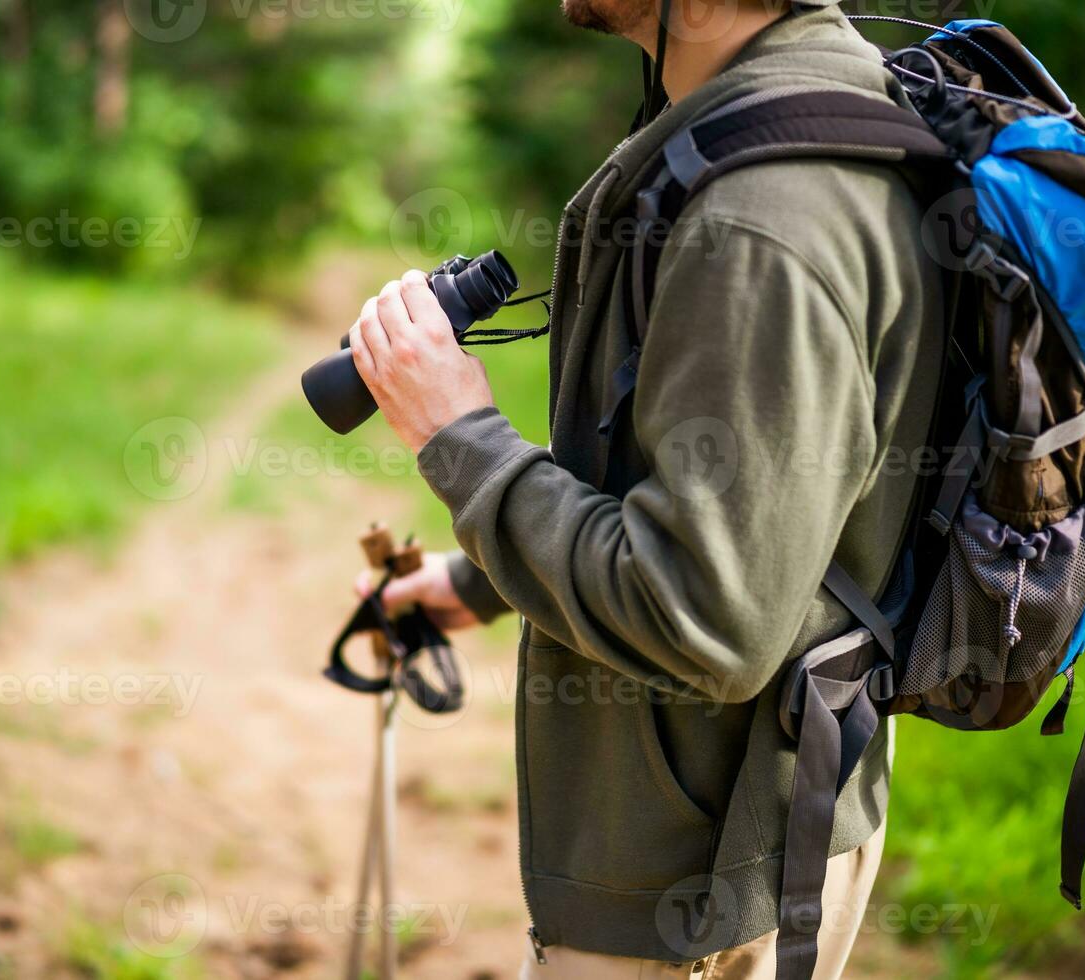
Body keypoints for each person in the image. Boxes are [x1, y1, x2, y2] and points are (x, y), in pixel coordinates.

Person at [348, 0, 944, 975]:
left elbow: (707, 612)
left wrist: (459, 438)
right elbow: (743, 491)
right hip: (747, 826)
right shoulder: (768, 122)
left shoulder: (765, 219)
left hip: (698, 889)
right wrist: (484, 579)